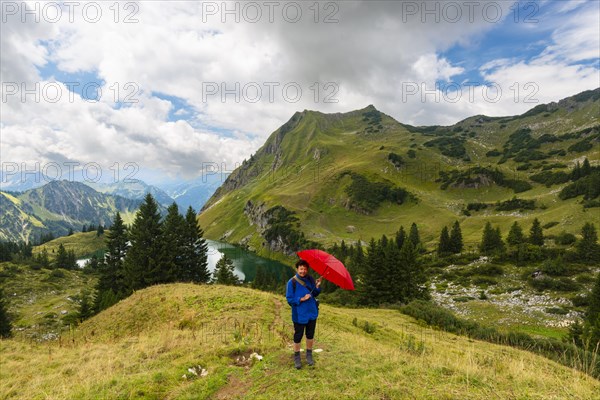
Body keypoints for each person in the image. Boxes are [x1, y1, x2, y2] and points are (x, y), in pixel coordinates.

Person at [286, 259, 322, 369]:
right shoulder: (291, 282)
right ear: (297, 269)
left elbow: (315, 293)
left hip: (311, 312)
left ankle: (309, 354)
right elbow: (289, 299)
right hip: (299, 314)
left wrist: (317, 286)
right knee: (298, 335)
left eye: (305, 269)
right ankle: (297, 357)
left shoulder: (310, 279)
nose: (303, 271)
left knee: (310, 334)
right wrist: (301, 299)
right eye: (301, 269)